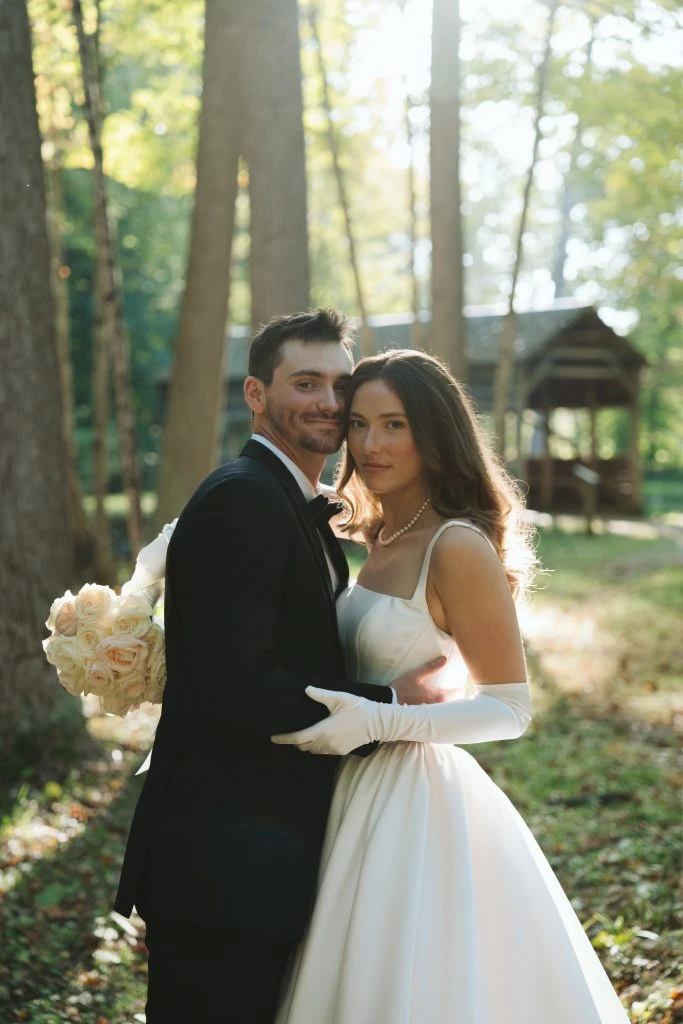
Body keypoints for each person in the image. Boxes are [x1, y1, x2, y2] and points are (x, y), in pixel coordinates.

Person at [273, 349, 630, 1023]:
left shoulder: (455, 545)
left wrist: (382, 720)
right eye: (358, 424)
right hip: (343, 791)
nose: (370, 444)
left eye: (394, 425)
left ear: (434, 433)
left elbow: (509, 708)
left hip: (411, 799)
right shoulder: (376, 536)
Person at [113, 310, 444, 1023]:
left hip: (258, 853)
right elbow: (238, 685)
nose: (329, 401)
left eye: (339, 383)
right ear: (256, 394)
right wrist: (389, 701)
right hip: (222, 863)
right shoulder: (245, 500)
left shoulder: (291, 502)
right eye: (305, 382)